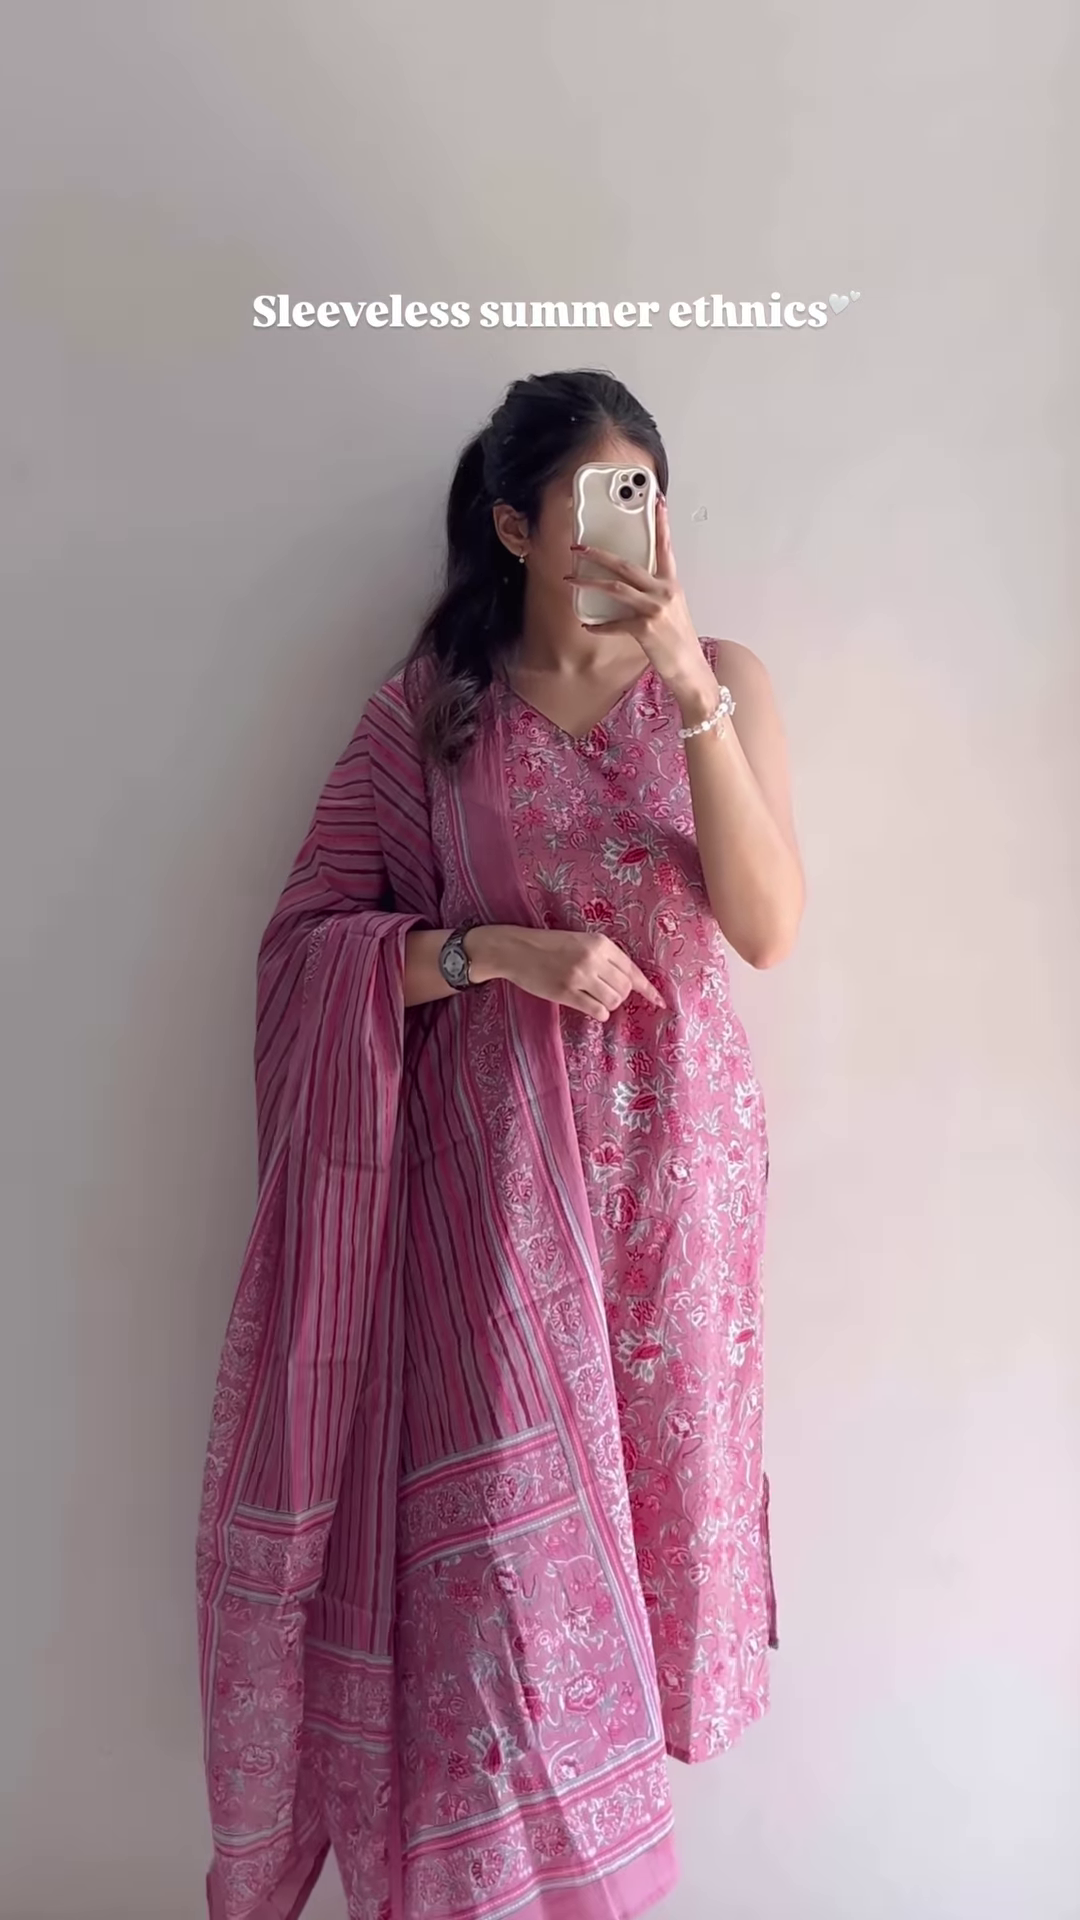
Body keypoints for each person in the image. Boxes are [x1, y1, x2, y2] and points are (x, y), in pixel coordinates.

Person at [196, 368, 805, 1920]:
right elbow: (305, 953)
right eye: (596, 501)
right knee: (499, 1605)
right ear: (518, 526)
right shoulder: (430, 716)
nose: (627, 530)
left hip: (673, 1204)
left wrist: (686, 677)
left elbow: (766, 927)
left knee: (637, 1579)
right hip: (492, 1221)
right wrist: (491, 954)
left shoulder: (724, 677)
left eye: (645, 497)